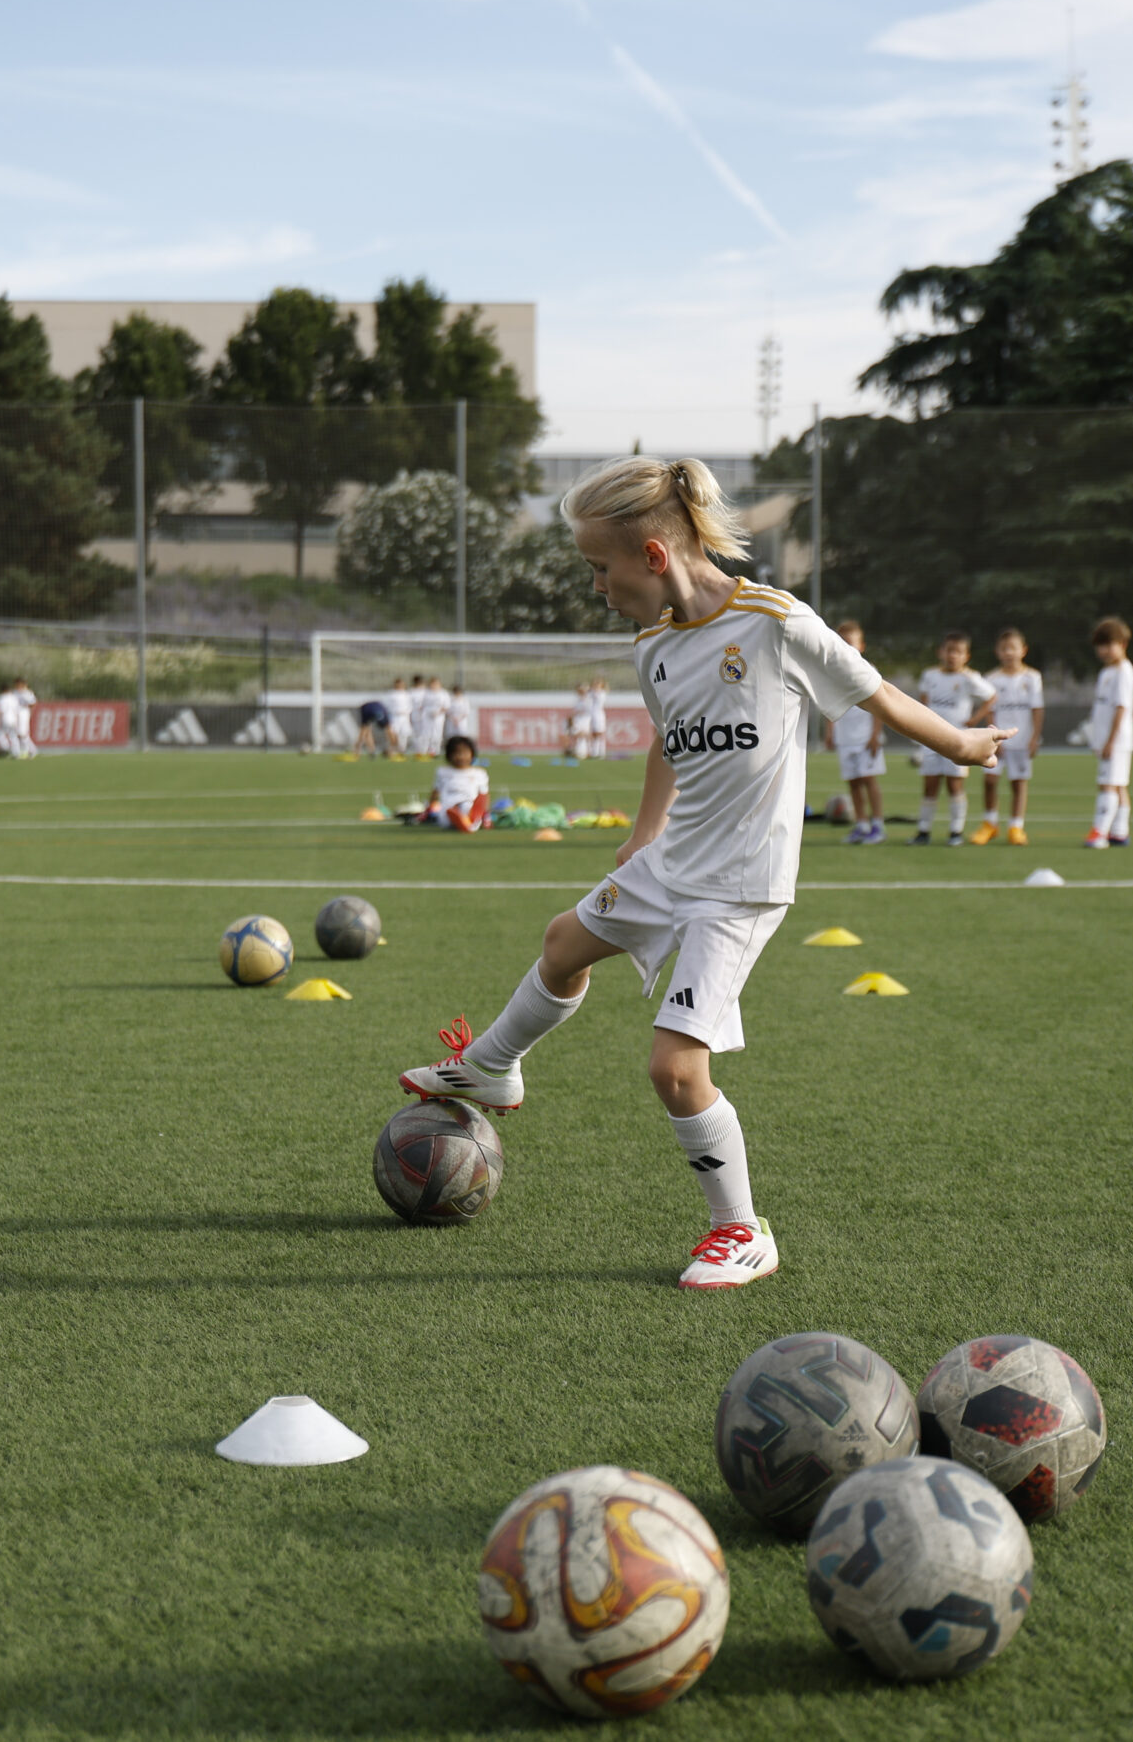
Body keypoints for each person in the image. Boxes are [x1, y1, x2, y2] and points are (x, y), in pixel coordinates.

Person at [395, 458, 1007, 1289]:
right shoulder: (652, 643)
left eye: (599, 568)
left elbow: (878, 694)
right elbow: (666, 739)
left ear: (653, 556)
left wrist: (963, 745)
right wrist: (642, 835)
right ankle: (493, 1068)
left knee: (676, 1070)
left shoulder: (775, 621)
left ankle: (741, 1231)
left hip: (741, 884)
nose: (597, 588)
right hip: (672, 860)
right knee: (563, 944)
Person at [912, 631, 993, 846]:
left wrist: (975, 718)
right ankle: (923, 831)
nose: (953, 656)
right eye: (949, 650)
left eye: (958, 652)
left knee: (955, 786)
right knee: (930, 785)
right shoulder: (930, 675)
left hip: (957, 740)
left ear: (966, 656)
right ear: (940, 652)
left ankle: (956, 832)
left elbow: (991, 696)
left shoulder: (969, 677)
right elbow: (923, 701)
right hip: (931, 738)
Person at [971, 628, 1045, 845]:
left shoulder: (1032, 677)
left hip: (1022, 740)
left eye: (1013, 648)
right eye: (1004, 648)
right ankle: (990, 824)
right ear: (997, 652)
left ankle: (1016, 826)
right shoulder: (992, 678)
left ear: (1023, 650)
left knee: (1018, 783)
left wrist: (1035, 738)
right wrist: (993, 736)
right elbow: (990, 709)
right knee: (990, 780)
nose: (1008, 652)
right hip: (998, 740)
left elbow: (1037, 709)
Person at [820, 619, 887, 844]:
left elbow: (880, 706)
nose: (847, 647)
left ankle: (877, 825)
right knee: (853, 783)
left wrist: (875, 735)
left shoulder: (869, 671)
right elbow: (830, 705)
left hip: (865, 738)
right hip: (845, 739)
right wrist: (830, 733)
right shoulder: (833, 674)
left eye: (851, 643)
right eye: (842, 642)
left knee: (869, 781)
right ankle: (861, 824)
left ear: (861, 646)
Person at [1085, 616, 1133, 848]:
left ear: (1122, 644)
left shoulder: (1124, 671)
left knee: (1107, 784)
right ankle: (1119, 832)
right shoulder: (1106, 672)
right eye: (1100, 646)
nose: (1104, 651)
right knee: (1118, 784)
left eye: (1109, 645)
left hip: (1116, 740)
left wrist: (1110, 741)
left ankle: (1099, 832)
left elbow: (1121, 708)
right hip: (1106, 739)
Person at [425, 734, 492, 832]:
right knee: (448, 815)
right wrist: (429, 809)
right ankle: (465, 822)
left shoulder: (479, 773)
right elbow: (436, 792)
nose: (461, 757)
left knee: (466, 806)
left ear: (472, 754)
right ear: (449, 755)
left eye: (465, 753)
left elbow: (483, 797)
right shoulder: (443, 772)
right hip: (448, 809)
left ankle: (468, 821)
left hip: (470, 807)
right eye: (457, 753)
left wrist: (485, 813)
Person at [0, 676, 39, 758]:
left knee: (22, 733)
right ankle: (30, 750)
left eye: (19, 684)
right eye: (16, 684)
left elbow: (33, 703)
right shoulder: (14, 693)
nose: (17, 686)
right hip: (15, 714)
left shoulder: (27, 693)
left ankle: (28, 750)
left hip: (23, 714)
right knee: (17, 734)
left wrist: (26, 709)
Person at [415, 676, 450, 759]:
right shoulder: (426, 693)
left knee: (436, 734)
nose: (434, 686)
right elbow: (421, 705)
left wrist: (438, 712)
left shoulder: (443, 693)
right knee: (425, 734)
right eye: (432, 684)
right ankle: (423, 751)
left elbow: (447, 706)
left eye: (436, 684)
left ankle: (435, 751)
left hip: (438, 717)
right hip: (427, 716)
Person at [384, 676, 414, 757]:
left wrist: (407, 712)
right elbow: (387, 706)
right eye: (399, 684)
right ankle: (393, 751)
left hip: (404, 717)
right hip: (395, 717)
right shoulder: (391, 694)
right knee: (394, 733)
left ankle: (402, 750)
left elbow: (410, 706)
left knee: (404, 734)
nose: (400, 686)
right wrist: (394, 711)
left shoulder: (407, 694)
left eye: (402, 684)